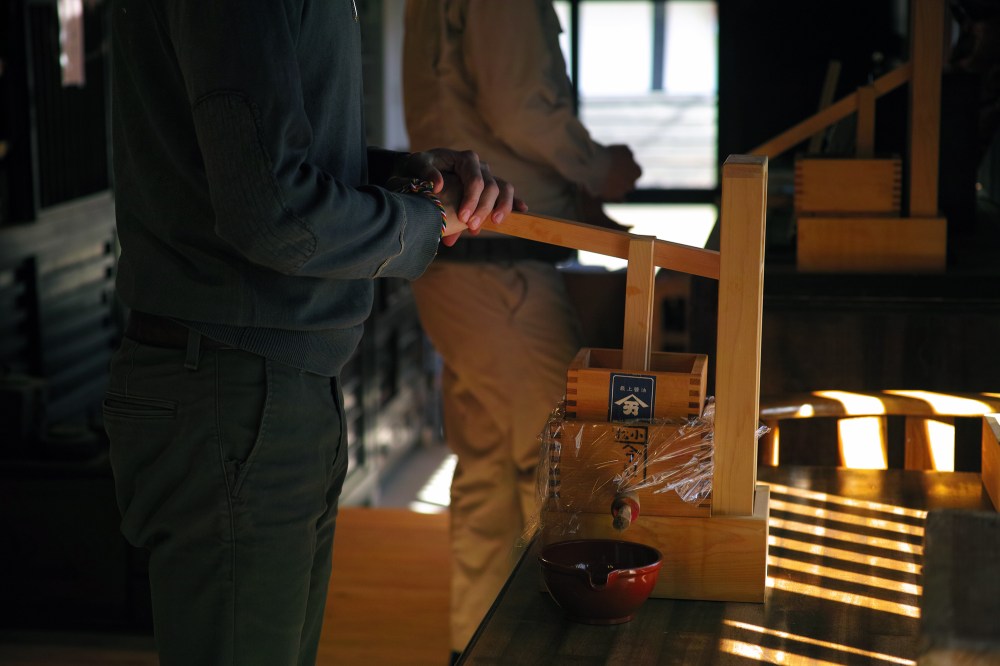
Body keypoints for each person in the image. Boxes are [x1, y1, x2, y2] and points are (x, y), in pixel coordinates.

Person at [101, 1, 521, 665]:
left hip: (274, 383)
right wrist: (422, 221)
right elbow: (274, 215)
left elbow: (263, 162)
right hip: (235, 387)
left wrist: (409, 179)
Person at [402, 0, 643, 657]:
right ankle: (547, 651)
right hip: (502, 267)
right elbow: (519, 107)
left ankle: (473, 646)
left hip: (461, 259)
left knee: (488, 471)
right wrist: (598, 165)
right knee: (560, 472)